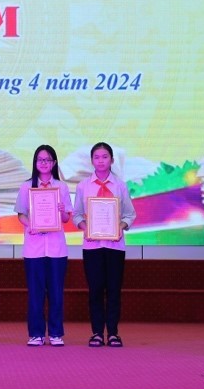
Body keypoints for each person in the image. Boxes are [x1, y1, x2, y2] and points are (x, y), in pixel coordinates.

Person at [73, 142, 137, 348]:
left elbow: (130, 214)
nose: (101, 161)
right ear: (92, 161)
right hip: (92, 247)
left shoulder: (120, 185)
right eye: (97, 157)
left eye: (105, 157)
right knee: (95, 290)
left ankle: (114, 333)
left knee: (114, 290)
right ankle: (97, 333)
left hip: (115, 246)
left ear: (111, 160)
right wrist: (85, 228)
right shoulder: (83, 186)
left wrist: (120, 227)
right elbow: (76, 215)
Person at [14, 144, 72, 347]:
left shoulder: (62, 187)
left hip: (57, 248)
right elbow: (21, 214)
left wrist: (62, 210)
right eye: (40, 160)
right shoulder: (26, 186)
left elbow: (66, 219)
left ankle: (56, 333)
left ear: (54, 163)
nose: (44, 163)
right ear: (35, 163)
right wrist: (31, 225)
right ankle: (36, 333)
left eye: (47, 160)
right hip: (34, 248)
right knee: (36, 292)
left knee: (56, 291)